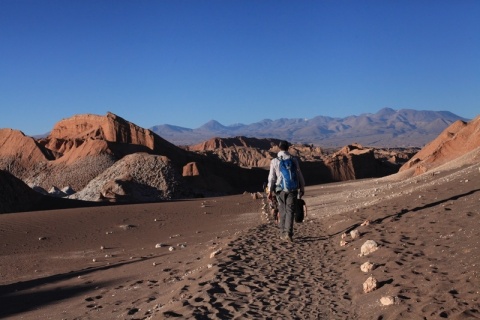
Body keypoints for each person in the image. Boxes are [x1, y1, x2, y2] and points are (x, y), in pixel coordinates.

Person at [267, 140, 305, 242]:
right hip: (292, 189)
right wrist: (302, 187)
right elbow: (299, 174)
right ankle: (288, 233)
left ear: (279, 148)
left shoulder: (275, 161)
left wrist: (270, 191)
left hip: (279, 190)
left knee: (282, 210)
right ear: (288, 148)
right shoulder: (293, 160)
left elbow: (271, 178)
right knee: (290, 211)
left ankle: (282, 233)